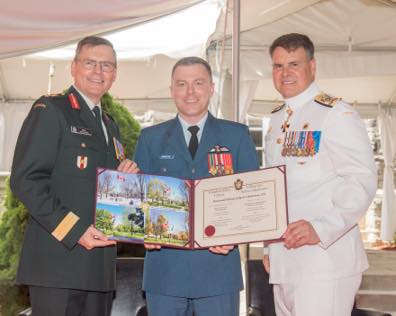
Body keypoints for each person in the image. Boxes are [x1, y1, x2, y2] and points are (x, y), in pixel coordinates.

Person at [10, 36, 138, 316]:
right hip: (58, 264)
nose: (98, 71)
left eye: (106, 65)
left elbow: (98, 188)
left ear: (114, 74)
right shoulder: (52, 110)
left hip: (100, 268)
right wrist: (75, 230)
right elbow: (25, 180)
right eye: (90, 62)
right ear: (74, 67)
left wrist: (125, 180)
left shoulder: (109, 125)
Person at [133, 56, 259, 316]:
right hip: (165, 274)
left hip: (218, 272)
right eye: (182, 84)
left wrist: (235, 236)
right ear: (172, 91)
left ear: (211, 88)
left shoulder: (237, 135)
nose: (190, 92)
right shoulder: (150, 138)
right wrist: (141, 230)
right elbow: (137, 203)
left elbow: (252, 199)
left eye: (198, 83)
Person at [263, 33, 377, 316]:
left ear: (312, 67)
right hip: (283, 260)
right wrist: (268, 246)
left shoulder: (337, 113)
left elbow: (360, 181)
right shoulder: (277, 119)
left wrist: (321, 227)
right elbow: (275, 188)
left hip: (325, 259)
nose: (285, 73)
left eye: (294, 64)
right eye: (278, 66)